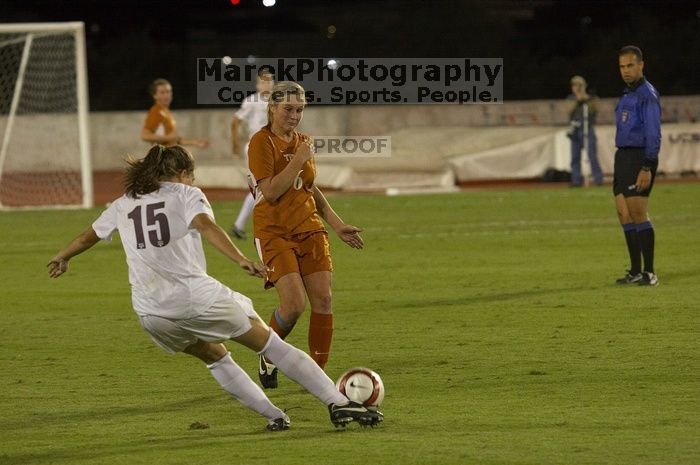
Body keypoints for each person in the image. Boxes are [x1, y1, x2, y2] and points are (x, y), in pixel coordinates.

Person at [46, 144, 383, 431]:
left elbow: (88, 235)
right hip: (195, 298)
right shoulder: (186, 194)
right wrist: (240, 260)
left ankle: (276, 417)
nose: (194, 181)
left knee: (214, 355)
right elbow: (206, 226)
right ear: (182, 174)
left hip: (150, 312)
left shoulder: (125, 202)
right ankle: (339, 402)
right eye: (191, 176)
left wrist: (63, 256)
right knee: (270, 344)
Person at [248, 81, 364, 389]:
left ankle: (318, 377)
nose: (295, 116)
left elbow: (309, 187)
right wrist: (298, 160)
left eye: (300, 110)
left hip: (309, 228)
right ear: (272, 108)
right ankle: (268, 354)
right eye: (288, 109)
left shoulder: (302, 142)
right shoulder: (261, 143)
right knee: (294, 305)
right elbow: (270, 191)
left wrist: (337, 224)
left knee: (324, 299)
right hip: (274, 231)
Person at [613, 46, 661, 286]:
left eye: (630, 65)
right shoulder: (627, 93)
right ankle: (634, 271)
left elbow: (654, 134)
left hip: (638, 158)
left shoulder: (647, 95)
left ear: (641, 65)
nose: (626, 71)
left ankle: (650, 273)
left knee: (638, 213)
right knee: (624, 214)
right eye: (622, 66)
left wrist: (647, 165)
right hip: (622, 158)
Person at [229, 71, 274, 240]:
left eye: (270, 82)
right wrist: (234, 143)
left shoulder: (276, 100)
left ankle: (240, 225)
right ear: (257, 85)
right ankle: (240, 225)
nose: (267, 85)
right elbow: (235, 120)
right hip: (256, 147)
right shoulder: (252, 101)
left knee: (267, 186)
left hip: (270, 147)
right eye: (264, 82)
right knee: (262, 186)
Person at [141, 78, 209, 148]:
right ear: (155, 96)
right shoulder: (156, 111)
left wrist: (195, 142)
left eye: (168, 91)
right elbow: (145, 135)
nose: (166, 95)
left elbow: (174, 139)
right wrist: (168, 137)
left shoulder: (166, 112)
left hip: (169, 155)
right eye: (162, 92)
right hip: (162, 157)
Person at [566, 75, 604, 186]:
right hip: (575, 130)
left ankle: (598, 179)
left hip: (588, 129)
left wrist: (586, 99)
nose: (575, 87)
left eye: (578, 85)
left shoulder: (591, 98)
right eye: (574, 85)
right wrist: (578, 101)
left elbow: (595, 110)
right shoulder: (570, 99)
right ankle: (576, 180)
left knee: (592, 155)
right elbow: (569, 110)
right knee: (574, 157)